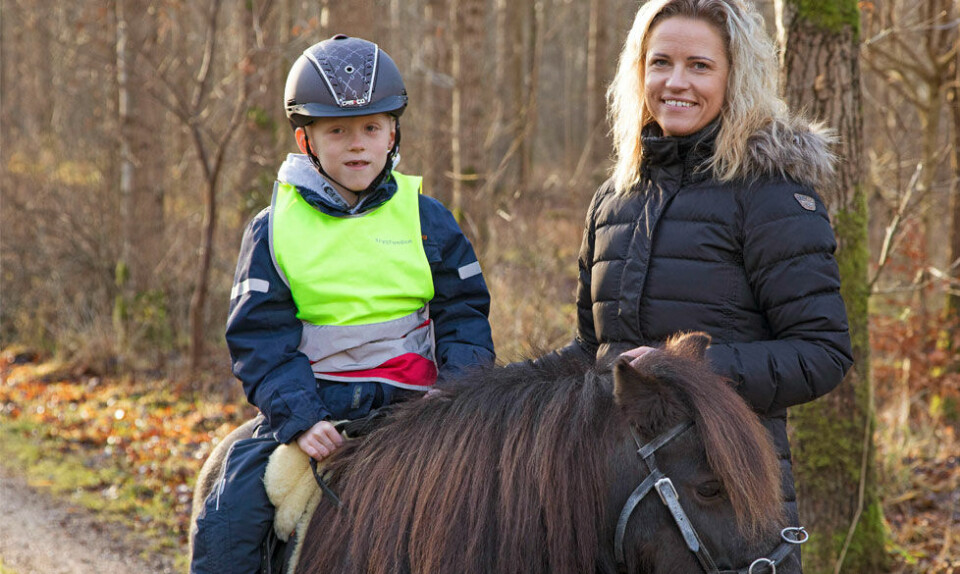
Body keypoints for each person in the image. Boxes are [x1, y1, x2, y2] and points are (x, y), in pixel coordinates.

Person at [550, 0, 853, 571]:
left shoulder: (771, 198)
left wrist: (692, 370)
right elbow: (593, 353)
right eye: (660, 62)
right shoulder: (614, 200)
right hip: (614, 514)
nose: (676, 82)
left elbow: (823, 353)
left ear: (736, 77)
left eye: (700, 66)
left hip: (727, 516)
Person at [190, 34, 495, 574]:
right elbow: (259, 337)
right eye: (338, 131)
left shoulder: (429, 221)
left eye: (371, 129)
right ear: (307, 140)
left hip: (420, 409)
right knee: (229, 516)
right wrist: (300, 418)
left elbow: (463, 315)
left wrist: (456, 399)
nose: (357, 145)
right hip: (317, 411)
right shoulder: (273, 231)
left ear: (392, 134)